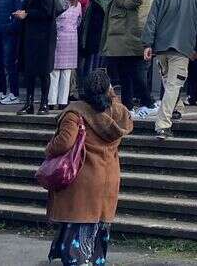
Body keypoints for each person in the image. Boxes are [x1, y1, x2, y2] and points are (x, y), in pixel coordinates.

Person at [43, 68, 133, 266]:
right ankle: (93, 258)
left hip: (83, 175)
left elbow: (64, 142)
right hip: (109, 175)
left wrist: (48, 148)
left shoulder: (75, 112)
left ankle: (78, 259)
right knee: (97, 221)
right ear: (109, 89)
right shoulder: (118, 111)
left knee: (79, 220)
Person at [140, 0, 197, 140]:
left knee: (168, 82)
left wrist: (148, 44)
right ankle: (163, 125)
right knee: (173, 85)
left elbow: (152, 19)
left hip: (161, 48)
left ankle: (177, 107)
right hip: (182, 48)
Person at [103, 0, 155, 119]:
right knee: (126, 70)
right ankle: (128, 107)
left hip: (129, 30)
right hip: (127, 30)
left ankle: (148, 102)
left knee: (133, 70)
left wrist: (120, 3)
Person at [16, 0, 57, 115]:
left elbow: (47, 11)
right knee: (30, 71)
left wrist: (27, 14)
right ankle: (29, 103)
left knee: (43, 71)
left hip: (43, 37)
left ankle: (44, 103)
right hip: (32, 35)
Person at [50, 0, 85, 109]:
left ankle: (51, 101)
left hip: (59, 37)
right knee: (67, 72)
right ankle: (63, 101)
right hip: (72, 39)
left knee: (54, 71)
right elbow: (79, 21)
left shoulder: (61, 2)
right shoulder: (78, 4)